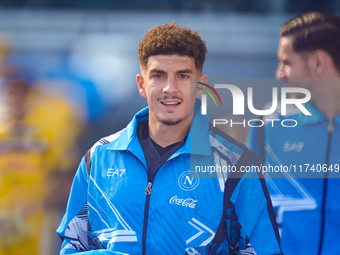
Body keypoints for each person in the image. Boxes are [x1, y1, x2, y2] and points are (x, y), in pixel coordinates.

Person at [57, 23, 282, 255]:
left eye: (182, 76)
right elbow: (73, 246)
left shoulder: (237, 166)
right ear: (142, 84)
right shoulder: (99, 158)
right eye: (158, 75)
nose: (169, 88)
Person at [247, 12, 340, 255]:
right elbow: (246, 210)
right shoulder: (267, 124)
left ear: (318, 63)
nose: (279, 74)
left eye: (286, 63)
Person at [0, 78, 82, 255]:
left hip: (37, 223)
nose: (16, 101)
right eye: (12, 95)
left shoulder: (49, 134)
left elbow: (70, 180)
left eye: (22, 95)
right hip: (4, 222)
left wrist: (41, 205)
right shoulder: (2, 134)